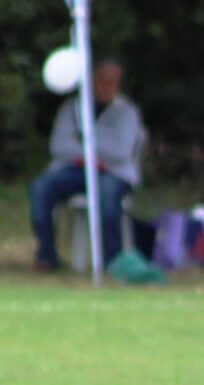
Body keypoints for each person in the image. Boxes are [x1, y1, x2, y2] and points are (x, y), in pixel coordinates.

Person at [31, 59, 145, 275]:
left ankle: (113, 261)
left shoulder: (128, 112)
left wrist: (83, 141)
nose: (106, 87)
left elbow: (121, 152)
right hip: (75, 170)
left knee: (107, 194)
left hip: (113, 172)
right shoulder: (73, 108)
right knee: (41, 188)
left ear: (119, 85)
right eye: (102, 81)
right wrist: (92, 151)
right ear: (92, 81)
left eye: (112, 82)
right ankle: (47, 255)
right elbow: (59, 146)